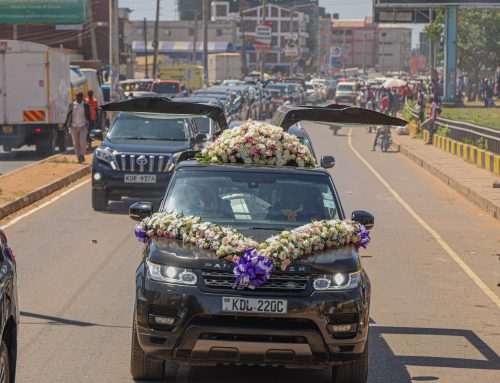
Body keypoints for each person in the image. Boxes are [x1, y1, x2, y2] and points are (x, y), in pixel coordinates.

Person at [65, 92, 90, 163]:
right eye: (77, 97)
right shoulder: (72, 105)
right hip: (74, 126)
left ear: (82, 97)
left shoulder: (85, 105)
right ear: (75, 97)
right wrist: (67, 125)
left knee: (82, 141)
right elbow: (68, 115)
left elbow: (89, 116)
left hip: (83, 126)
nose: (78, 98)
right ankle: (79, 157)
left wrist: (89, 125)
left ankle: (82, 154)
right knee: (75, 143)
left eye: (79, 97)